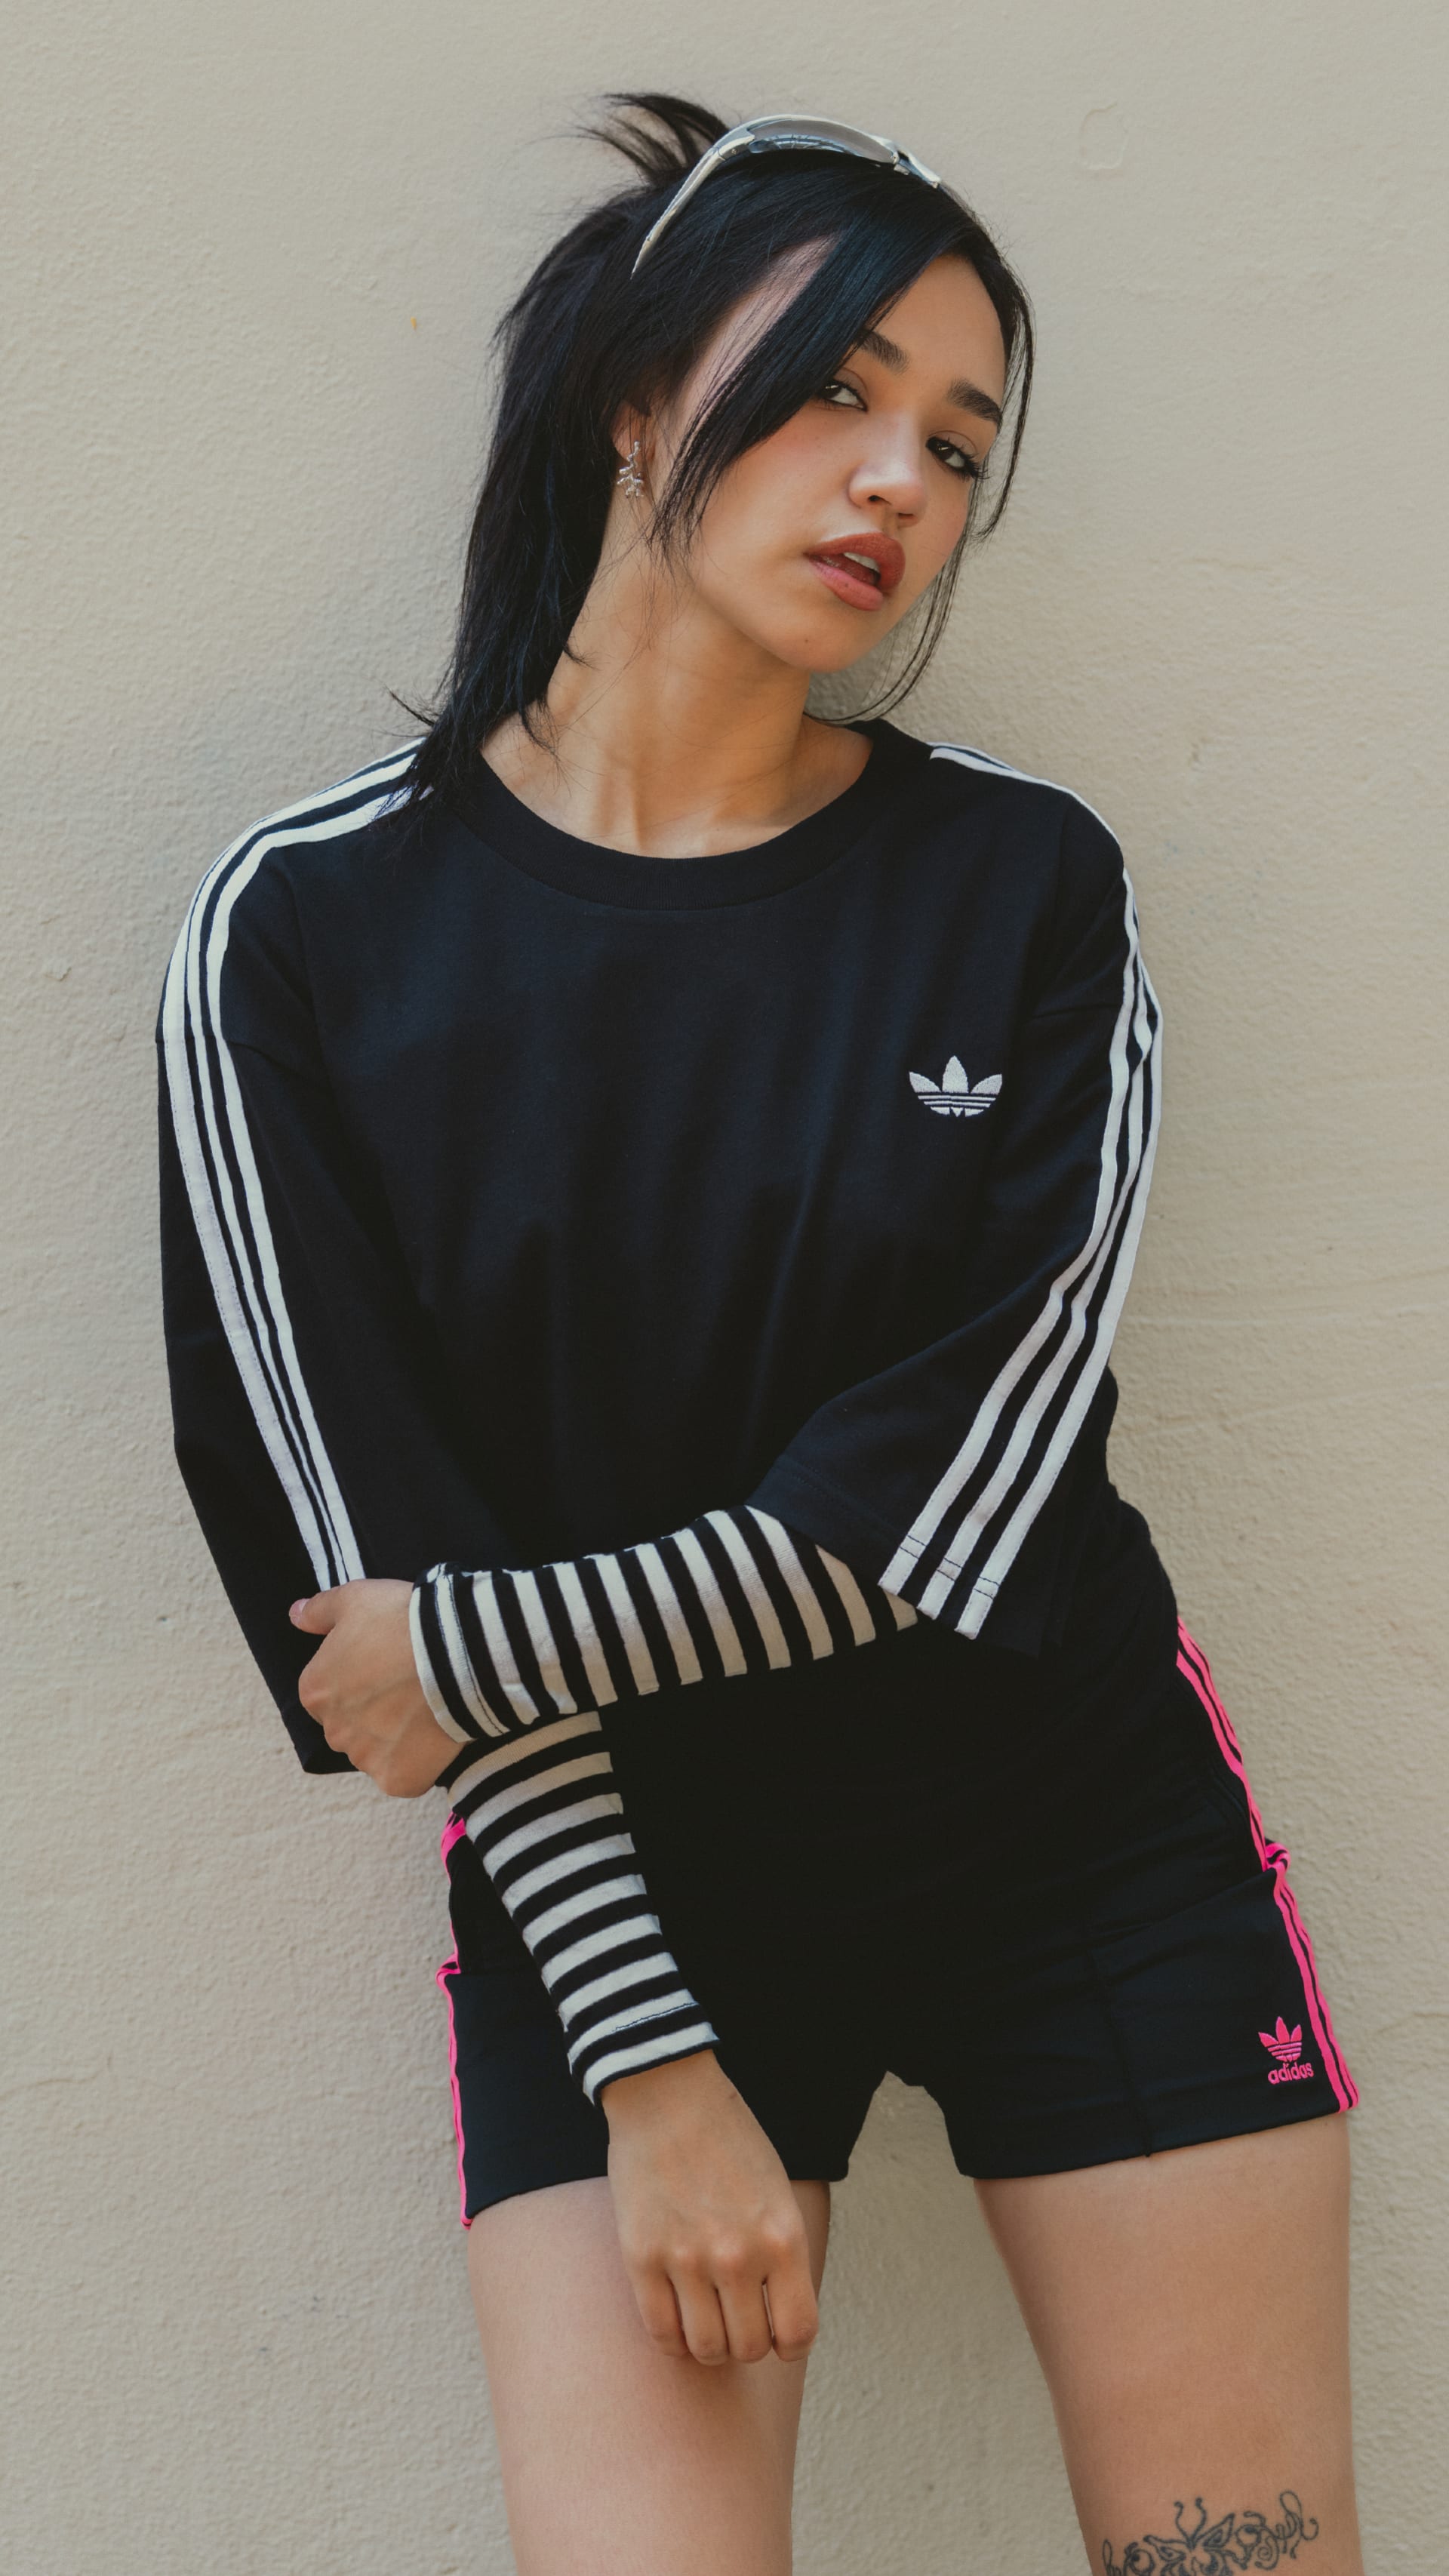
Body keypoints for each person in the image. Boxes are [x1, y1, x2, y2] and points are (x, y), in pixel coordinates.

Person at [158, 95, 1363, 2576]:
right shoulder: (304, 942)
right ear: (630, 393)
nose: (894, 478)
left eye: (955, 440)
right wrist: (656, 2068)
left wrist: (481, 1639)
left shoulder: (1023, 886)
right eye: (834, 386)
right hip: (621, 1888)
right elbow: (355, 1545)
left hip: (1074, 1840)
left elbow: (949, 1500)